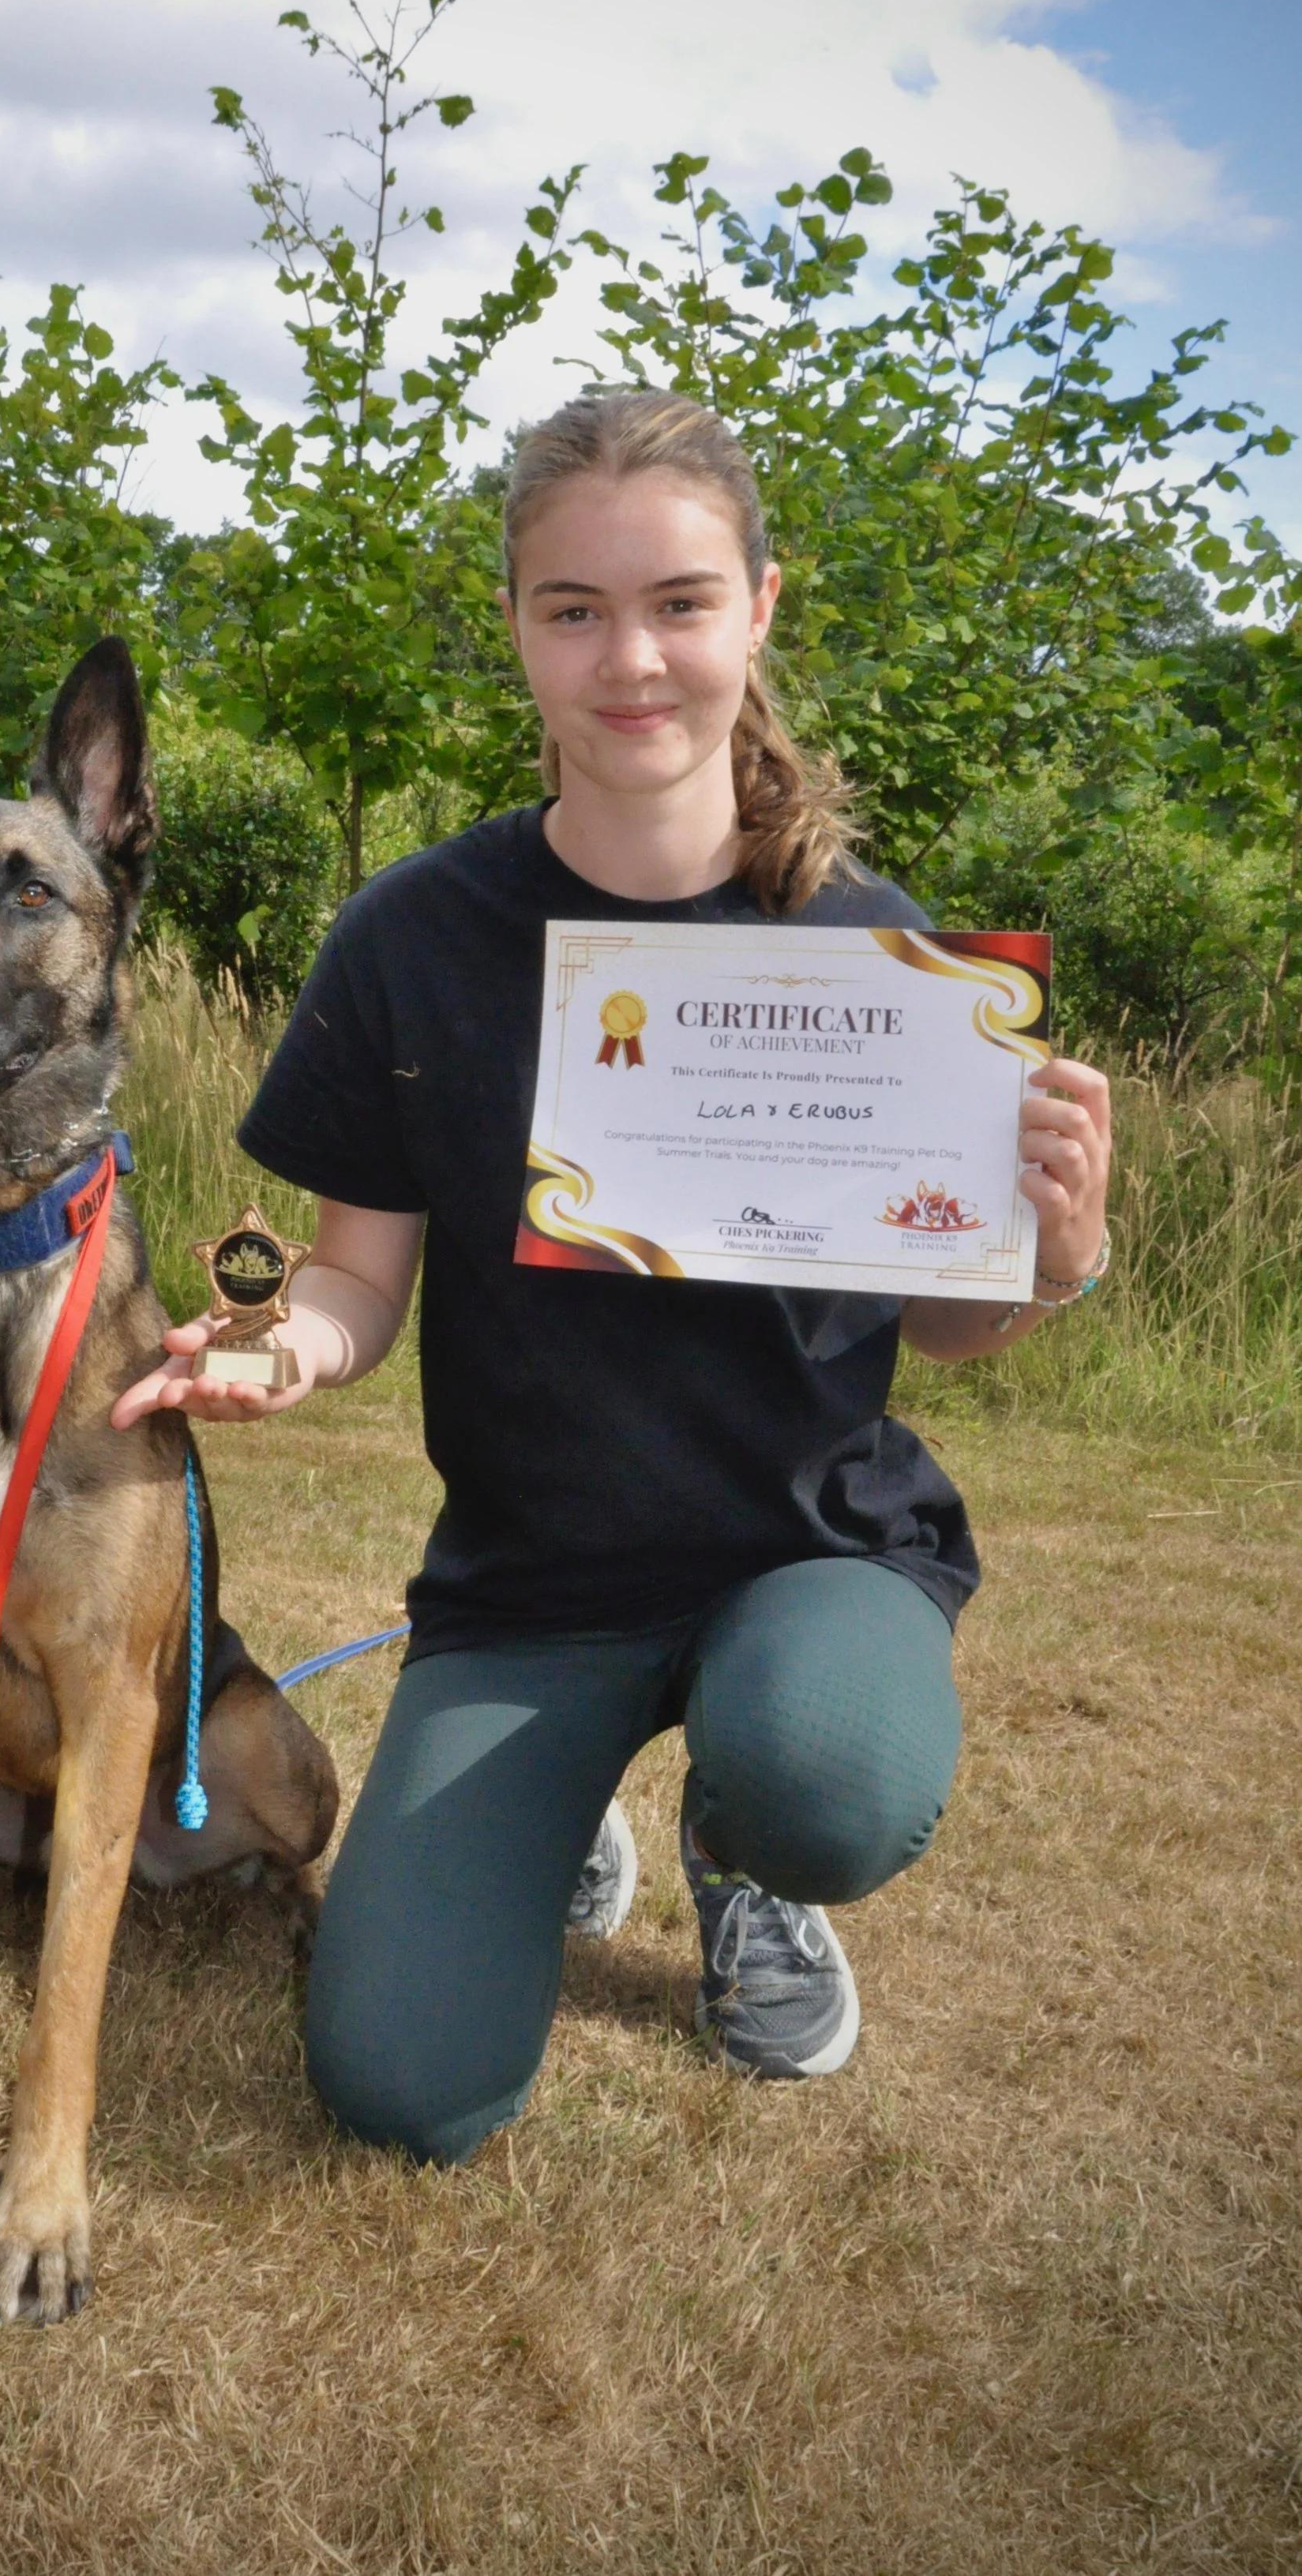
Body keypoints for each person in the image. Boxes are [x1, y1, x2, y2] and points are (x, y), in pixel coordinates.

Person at [113, 389, 1113, 2165]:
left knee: (828, 1776)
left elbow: (950, 1325)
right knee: (399, 2087)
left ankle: (744, 1852)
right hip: (530, 1590)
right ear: (513, 626)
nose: (628, 657)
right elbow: (351, 1279)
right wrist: (278, 1358)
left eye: (677, 602)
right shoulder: (412, 940)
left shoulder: (878, 964)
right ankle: (558, 1796)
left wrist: (1060, 1248)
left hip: (807, 1555)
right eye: (571, 609)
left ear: (759, 610)